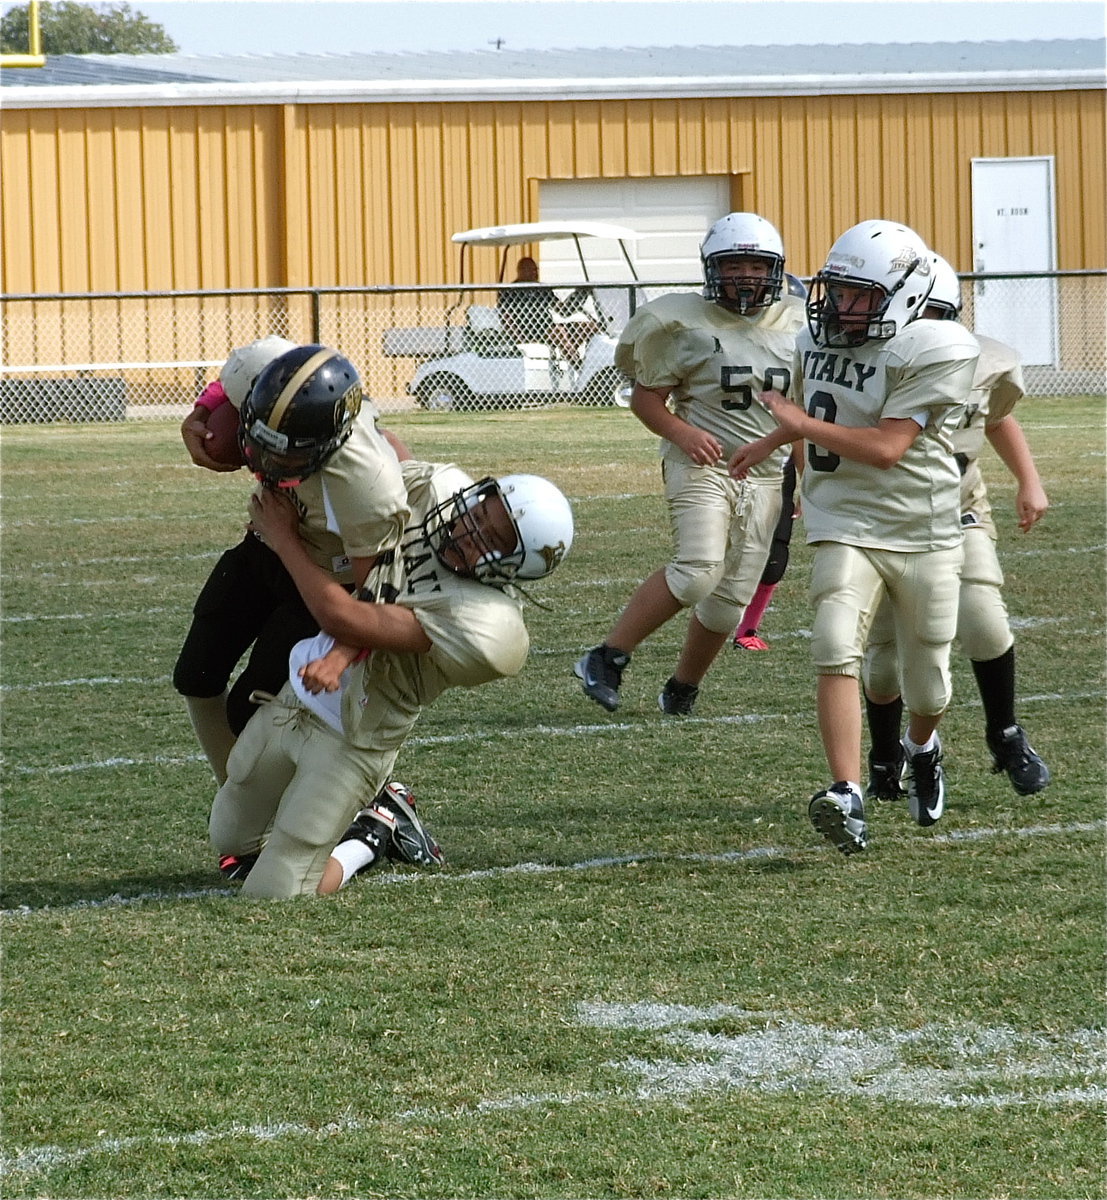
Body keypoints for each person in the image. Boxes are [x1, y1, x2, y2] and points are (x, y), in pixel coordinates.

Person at [208, 462, 574, 898]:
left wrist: (284, 538)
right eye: (477, 514)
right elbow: (370, 471)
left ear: (516, 569)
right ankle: (373, 817)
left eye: (490, 540)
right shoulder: (438, 489)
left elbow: (350, 620)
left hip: (352, 741)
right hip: (296, 698)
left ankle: (369, 836)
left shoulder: (487, 625)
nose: (466, 533)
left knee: (275, 892)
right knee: (229, 840)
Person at [730, 219, 979, 855]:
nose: (843, 306)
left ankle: (922, 747)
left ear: (903, 293)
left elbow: (888, 447)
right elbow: (812, 414)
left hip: (920, 527)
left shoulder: (934, 346)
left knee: (929, 684)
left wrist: (796, 420)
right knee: (835, 640)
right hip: (842, 518)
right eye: (838, 291)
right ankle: (846, 792)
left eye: (860, 295)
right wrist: (776, 438)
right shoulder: (815, 339)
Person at [574, 212, 805, 716]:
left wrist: (804, 478)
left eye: (755, 264)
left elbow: (803, 414)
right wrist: (682, 430)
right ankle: (607, 657)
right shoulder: (680, 320)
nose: (745, 274)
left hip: (767, 474)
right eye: (734, 263)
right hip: (703, 464)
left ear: (775, 269)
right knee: (697, 570)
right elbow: (645, 397)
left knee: (729, 600)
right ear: (710, 268)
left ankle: (682, 687)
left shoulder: (798, 324)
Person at [173, 341, 409, 785]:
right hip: (269, 542)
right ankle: (238, 803)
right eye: (258, 440)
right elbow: (239, 376)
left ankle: (377, 805)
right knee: (196, 674)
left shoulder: (367, 484)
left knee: (252, 709)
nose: (267, 463)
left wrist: (339, 655)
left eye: (288, 456)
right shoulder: (276, 378)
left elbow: (372, 601)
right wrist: (203, 414)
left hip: (324, 576)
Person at [862, 254, 1050, 800]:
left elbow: (995, 415)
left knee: (985, 621)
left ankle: (1005, 733)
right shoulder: (865, 359)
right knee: (883, 657)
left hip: (957, 506)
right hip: (881, 516)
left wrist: (1028, 480)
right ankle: (883, 756)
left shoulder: (979, 359)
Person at [497, 256, 600, 367]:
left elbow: (562, 310)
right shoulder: (510, 291)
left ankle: (574, 355)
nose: (534, 273)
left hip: (546, 328)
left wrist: (578, 296)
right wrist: (520, 338)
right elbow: (506, 318)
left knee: (589, 326)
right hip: (528, 331)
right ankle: (576, 364)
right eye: (531, 270)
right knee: (558, 332)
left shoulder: (541, 288)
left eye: (535, 270)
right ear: (521, 271)